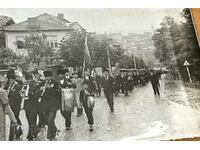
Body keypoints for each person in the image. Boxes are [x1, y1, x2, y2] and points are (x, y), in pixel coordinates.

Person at [40, 70, 60, 140]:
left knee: (50, 120)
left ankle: (50, 137)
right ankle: (55, 130)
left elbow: (58, 93)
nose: (47, 78)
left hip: (53, 105)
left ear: (51, 76)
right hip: (45, 105)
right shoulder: (42, 83)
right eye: (46, 77)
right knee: (47, 120)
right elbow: (40, 93)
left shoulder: (56, 83)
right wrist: (41, 89)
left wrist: (50, 88)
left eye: (48, 77)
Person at [4, 69, 23, 139]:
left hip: (16, 106)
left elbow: (19, 96)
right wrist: (6, 92)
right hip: (10, 105)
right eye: (10, 80)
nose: (11, 81)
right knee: (15, 119)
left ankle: (11, 137)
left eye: (12, 80)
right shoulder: (7, 86)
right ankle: (19, 131)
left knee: (13, 121)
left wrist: (13, 92)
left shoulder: (18, 86)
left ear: (14, 80)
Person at [23, 72, 40, 141]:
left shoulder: (35, 85)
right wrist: (22, 92)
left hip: (34, 105)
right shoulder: (24, 85)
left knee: (32, 119)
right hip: (27, 105)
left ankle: (30, 135)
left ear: (31, 79)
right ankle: (34, 131)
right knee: (29, 120)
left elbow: (36, 95)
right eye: (27, 79)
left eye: (29, 79)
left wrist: (29, 93)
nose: (28, 80)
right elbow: (21, 94)